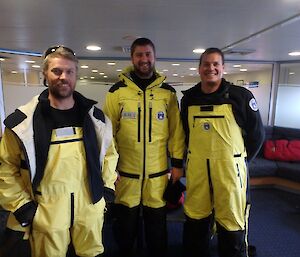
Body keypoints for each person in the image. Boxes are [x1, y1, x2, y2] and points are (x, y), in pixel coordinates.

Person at [0, 45, 118, 257]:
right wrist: (23, 207)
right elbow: (6, 168)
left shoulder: (96, 118)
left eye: (69, 71)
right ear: (45, 73)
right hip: (46, 210)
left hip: (89, 205)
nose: (63, 77)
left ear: (76, 75)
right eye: (56, 71)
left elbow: (110, 154)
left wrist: (106, 191)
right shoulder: (22, 124)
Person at [103, 37, 185, 257]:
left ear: (154, 57)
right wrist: (109, 169)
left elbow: (176, 132)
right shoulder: (116, 91)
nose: (144, 59)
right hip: (126, 176)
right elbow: (107, 134)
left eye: (148, 54)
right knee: (125, 230)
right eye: (139, 54)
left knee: (157, 231)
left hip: (157, 177)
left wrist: (177, 166)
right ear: (132, 58)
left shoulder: (168, 93)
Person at [180, 48, 265, 257]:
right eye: (206, 64)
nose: (211, 68)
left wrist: (239, 162)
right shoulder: (189, 99)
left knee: (231, 221)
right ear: (199, 68)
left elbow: (257, 136)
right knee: (195, 219)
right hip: (198, 171)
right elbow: (185, 134)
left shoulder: (241, 97)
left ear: (223, 68)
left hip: (230, 173)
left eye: (216, 64)